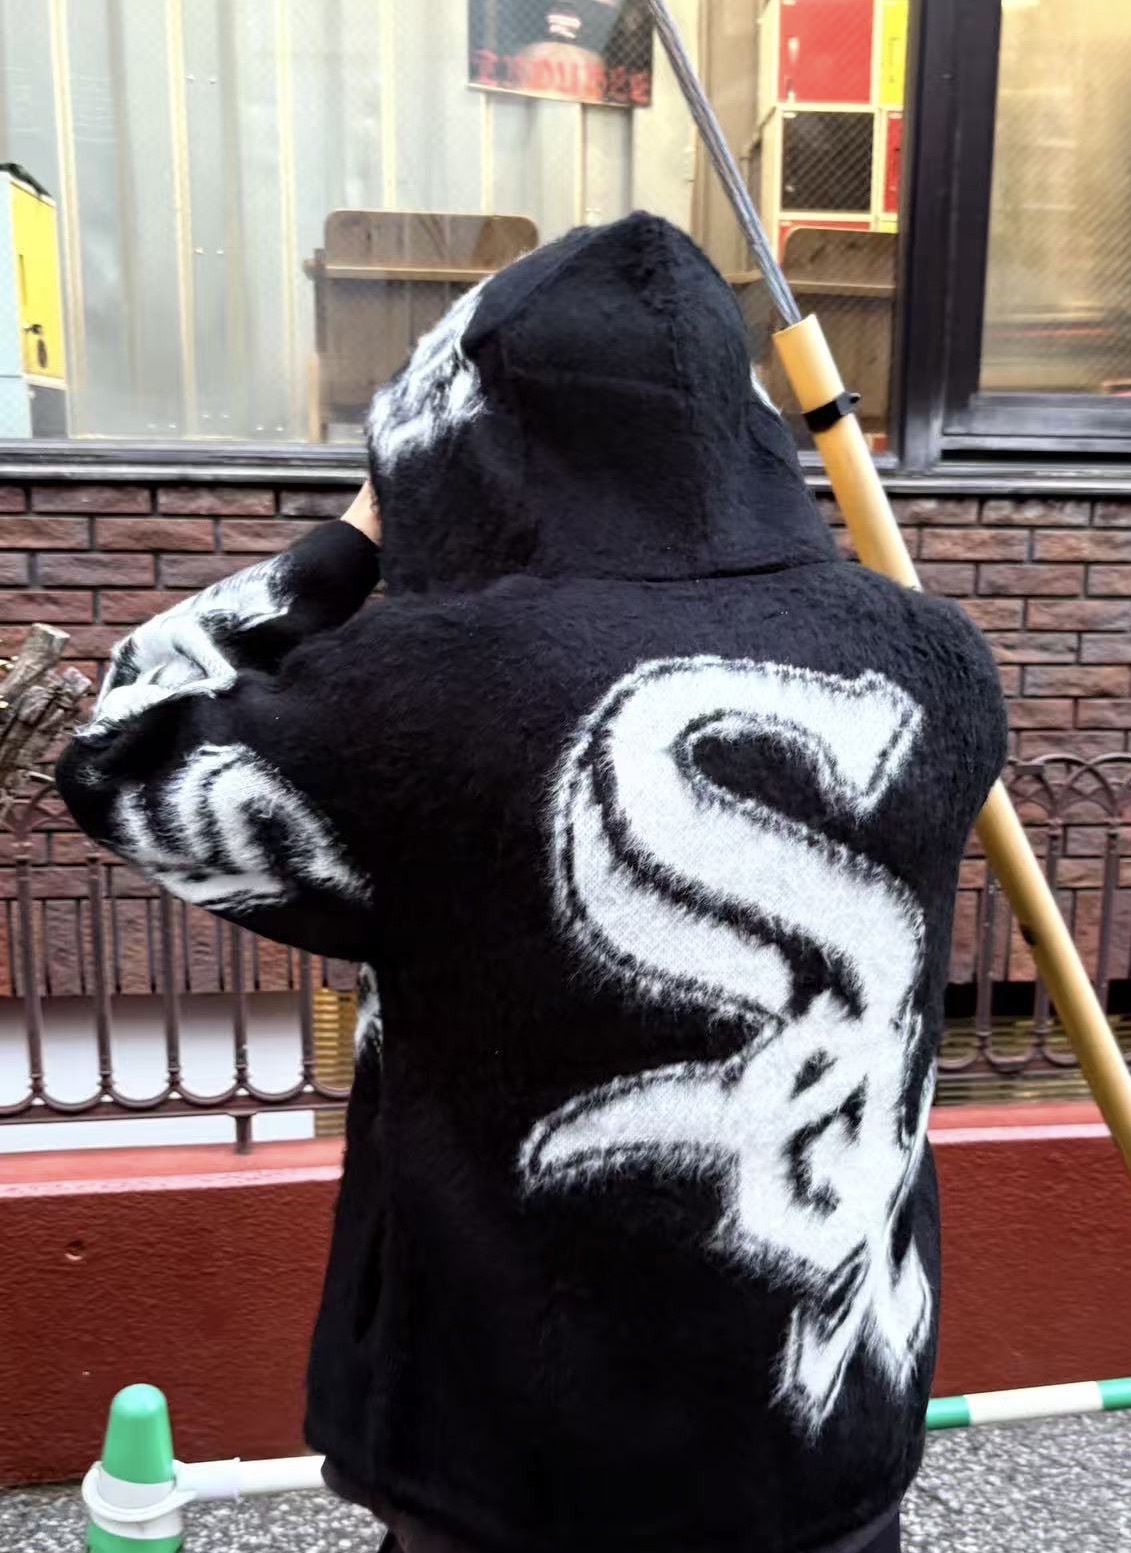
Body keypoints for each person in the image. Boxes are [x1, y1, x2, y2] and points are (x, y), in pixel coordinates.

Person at [57, 213, 1006, 1553]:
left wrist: (353, 538)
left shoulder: (429, 691)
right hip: (826, 1438)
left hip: (521, 1477)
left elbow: (121, 748)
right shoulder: (941, 662)